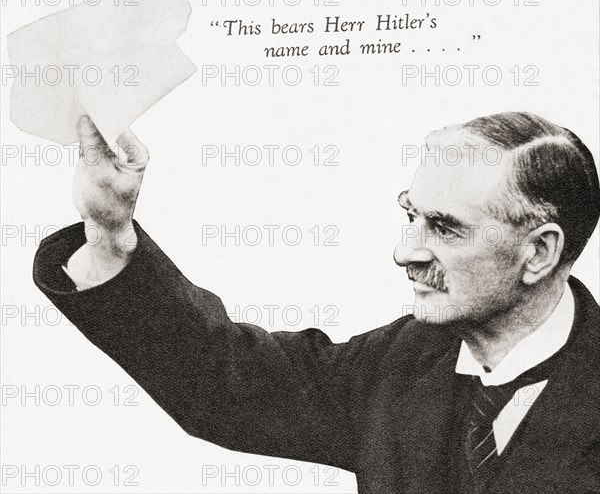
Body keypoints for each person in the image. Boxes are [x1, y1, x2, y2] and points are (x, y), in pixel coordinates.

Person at [33, 112, 599, 494]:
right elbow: (225, 383)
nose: (405, 253)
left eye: (446, 229)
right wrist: (109, 232)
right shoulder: (404, 359)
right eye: (411, 216)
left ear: (539, 253)